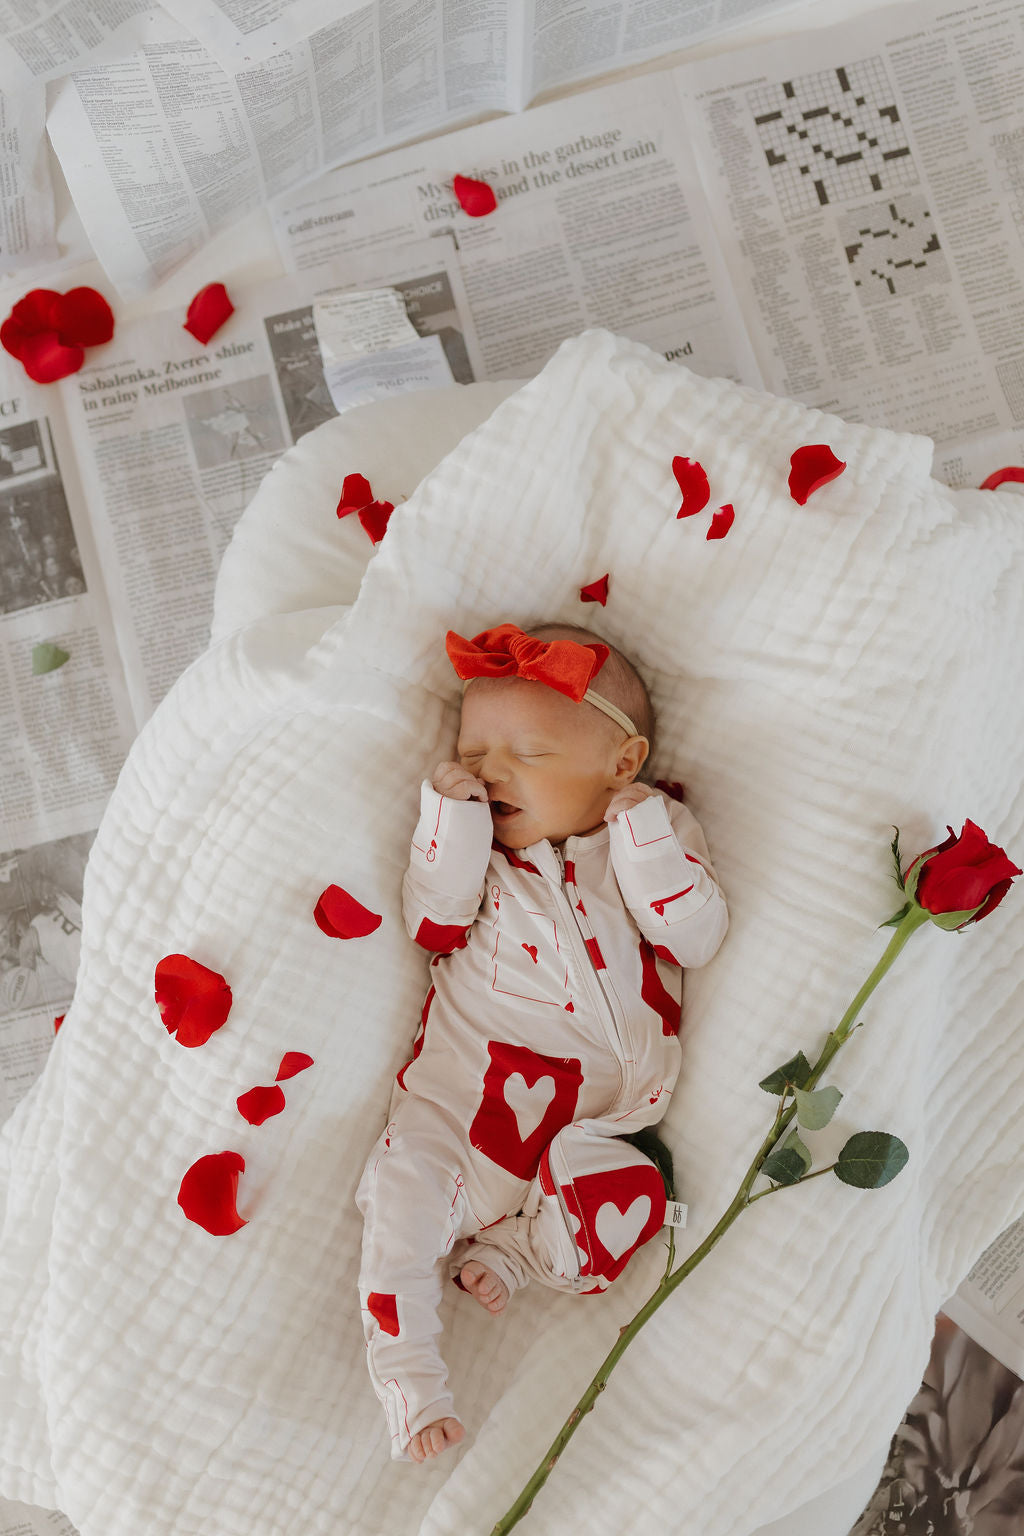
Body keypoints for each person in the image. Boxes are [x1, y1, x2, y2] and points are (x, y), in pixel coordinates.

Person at [356, 621, 729, 1463]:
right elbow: (433, 923)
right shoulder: (483, 860)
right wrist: (451, 823)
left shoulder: (652, 834)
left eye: (525, 750)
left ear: (622, 765)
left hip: (598, 1125)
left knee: (629, 1196)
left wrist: (646, 846)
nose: (489, 771)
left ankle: (522, 1251)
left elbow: (694, 939)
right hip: (465, 1113)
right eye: (473, 751)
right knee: (399, 1202)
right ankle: (411, 1376)